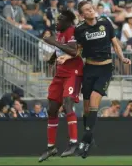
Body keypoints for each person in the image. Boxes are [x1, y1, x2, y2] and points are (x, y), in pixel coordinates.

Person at [60, 1, 131, 158]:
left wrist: (122, 57)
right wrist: (66, 56)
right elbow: (78, 50)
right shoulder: (80, 29)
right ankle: (89, 138)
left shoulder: (105, 22)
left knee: (94, 100)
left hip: (105, 69)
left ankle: (85, 140)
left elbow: (115, 42)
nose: (91, 11)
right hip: (89, 69)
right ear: (82, 15)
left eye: (91, 8)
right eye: (87, 10)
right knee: (86, 109)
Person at [38, 10, 83, 162]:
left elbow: (74, 50)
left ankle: (74, 143)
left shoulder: (72, 31)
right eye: (57, 19)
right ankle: (51, 147)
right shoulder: (61, 32)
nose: (57, 22)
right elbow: (60, 49)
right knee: (51, 109)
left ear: (69, 22)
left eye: (60, 20)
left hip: (73, 72)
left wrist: (53, 42)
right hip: (60, 73)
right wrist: (52, 58)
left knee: (68, 103)